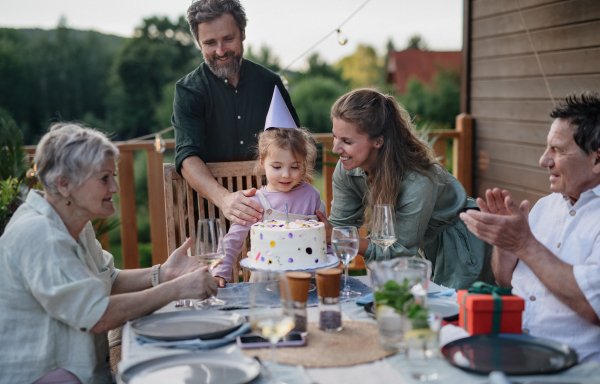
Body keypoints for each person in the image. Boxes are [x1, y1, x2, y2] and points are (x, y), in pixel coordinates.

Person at [0, 123, 218, 384]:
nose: (115, 188)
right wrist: (177, 289)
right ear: (64, 183)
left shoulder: (75, 223)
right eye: (105, 178)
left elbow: (110, 279)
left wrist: (164, 273)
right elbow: (98, 316)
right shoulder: (38, 234)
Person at [460, 92, 600, 362]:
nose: (544, 160)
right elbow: (507, 282)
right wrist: (506, 245)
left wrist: (524, 244)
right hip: (516, 349)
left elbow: (593, 306)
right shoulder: (546, 207)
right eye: (547, 148)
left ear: (596, 160)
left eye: (557, 150)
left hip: (574, 367)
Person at [316, 88, 494, 289]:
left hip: (461, 243)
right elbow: (339, 227)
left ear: (378, 141)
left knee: (451, 314)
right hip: (420, 244)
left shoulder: (417, 180)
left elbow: (398, 249)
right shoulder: (347, 169)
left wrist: (342, 239)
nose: (335, 149)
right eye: (335, 137)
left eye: (347, 141)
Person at [174, 0, 300, 228]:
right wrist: (225, 200)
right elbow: (187, 157)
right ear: (198, 43)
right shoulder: (188, 90)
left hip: (272, 215)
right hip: (208, 218)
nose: (220, 51)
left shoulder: (270, 83)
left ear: (242, 34)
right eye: (210, 43)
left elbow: (296, 147)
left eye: (228, 39)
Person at [212, 87, 328, 286]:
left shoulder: (312, 196)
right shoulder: (255, 202)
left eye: (294, 166)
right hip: (264, 285)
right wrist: (219, 272)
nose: (286, 174)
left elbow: (325, 237)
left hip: (309, 284)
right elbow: (232, 241)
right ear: (262, 163)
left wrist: (331, 272)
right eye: (277, 166)